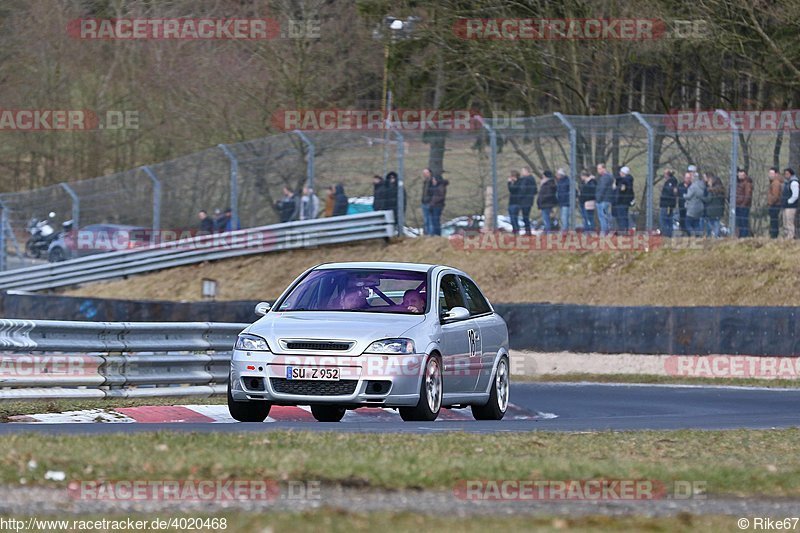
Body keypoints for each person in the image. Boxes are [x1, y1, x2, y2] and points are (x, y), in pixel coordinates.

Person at [703, 174, 725, 238]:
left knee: (709, 224)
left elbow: (708, 199)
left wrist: (702, 198)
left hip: (711, 210)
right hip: (719, 210)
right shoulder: (722, 191)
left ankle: (709, 236)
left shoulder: (711, 190)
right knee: (717, 223)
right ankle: (716, 236)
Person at [614, 166, 634, 233]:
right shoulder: (628, 181)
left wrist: (617, 188)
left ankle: (623, 230)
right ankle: (624, 230)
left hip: (622, 201)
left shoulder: (624, 182)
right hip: (624, 201)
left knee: (622, 216)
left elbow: (622, 190)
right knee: (624, 216)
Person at [659, 169, 678, 237]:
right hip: (667, 204)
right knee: (667, 219)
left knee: (664, 220)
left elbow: (671, 192)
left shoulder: (671, 182)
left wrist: (663, 190)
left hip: (667, 204)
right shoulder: (669, 182)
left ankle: (667, 234)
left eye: (665, 174)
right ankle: (667, 233)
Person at [595, 163, 614, 234]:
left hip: (603, 200)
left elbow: (602, 189)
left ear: (604, 168)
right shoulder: (608, 177)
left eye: (599, 169)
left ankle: (604, 232)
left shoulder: (605, 178)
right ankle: (608, 231)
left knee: (602, 217)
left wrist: (598, 199)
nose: (598, 170)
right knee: (606, 216)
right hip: (606, 199)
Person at [518, 167, 538, 235]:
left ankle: (527, 231)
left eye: (523, 171)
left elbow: (523, 190)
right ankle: (528, 230)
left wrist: (519, 197)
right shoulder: (533, 179)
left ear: (527, 171)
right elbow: (535, 190)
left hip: (524, 201)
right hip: (530, 200)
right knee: (526, 216)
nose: (522, 172)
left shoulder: (525, 180)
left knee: (525, 217)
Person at [782, 168, 799, 239]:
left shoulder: (794, 183)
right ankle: (787, 236)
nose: (786, 175)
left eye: (787, 174)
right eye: (785, 174)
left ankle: (791, 236)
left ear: (791, 174)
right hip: (786, 206)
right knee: (785, 221)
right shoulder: (787, 182)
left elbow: (795, 195)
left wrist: (789, 201)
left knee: (789, 221)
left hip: (791, 206)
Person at [735, 168, 753, 237]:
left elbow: (748, 195)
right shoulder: (739, 183)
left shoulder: (747, 183)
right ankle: (741, 235)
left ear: (744, 175)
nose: (739, 176)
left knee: (743, 222)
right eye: (739, 174)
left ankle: (744, 236)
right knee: (740, 222)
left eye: (741, 175)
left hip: (743, 206)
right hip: (739, 205)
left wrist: (743, 204)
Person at [768, 166, 784, 239]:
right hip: (775, 204)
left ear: (776, 174)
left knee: (774, 221)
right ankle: (774, 234)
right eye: (769, 173)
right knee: (774, 220)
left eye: (772, 173)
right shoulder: (774, 182)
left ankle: (774, 235)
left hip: (774, 205)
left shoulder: (775, 183)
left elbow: (775, 195)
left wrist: (771, 202)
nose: (770, 175)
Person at [507, 170, 524, 234]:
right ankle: (514, 230)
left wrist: (509, 183)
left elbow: (512, 190)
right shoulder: (514, 183)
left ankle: (516, 231)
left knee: (514, 218)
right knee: (512, 218)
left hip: (516, 203)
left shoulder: (519, 182)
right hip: (511, 202)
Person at [420, 168, 434, 235]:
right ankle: (427, 233)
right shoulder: (425, 182)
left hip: (430, 203)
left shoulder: (433, 182)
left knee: (430, 219)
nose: (425, 174)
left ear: (430, 173)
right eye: (424, 173)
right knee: (426, 220)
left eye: (426, 173)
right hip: (424, 203)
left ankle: (430, 234)